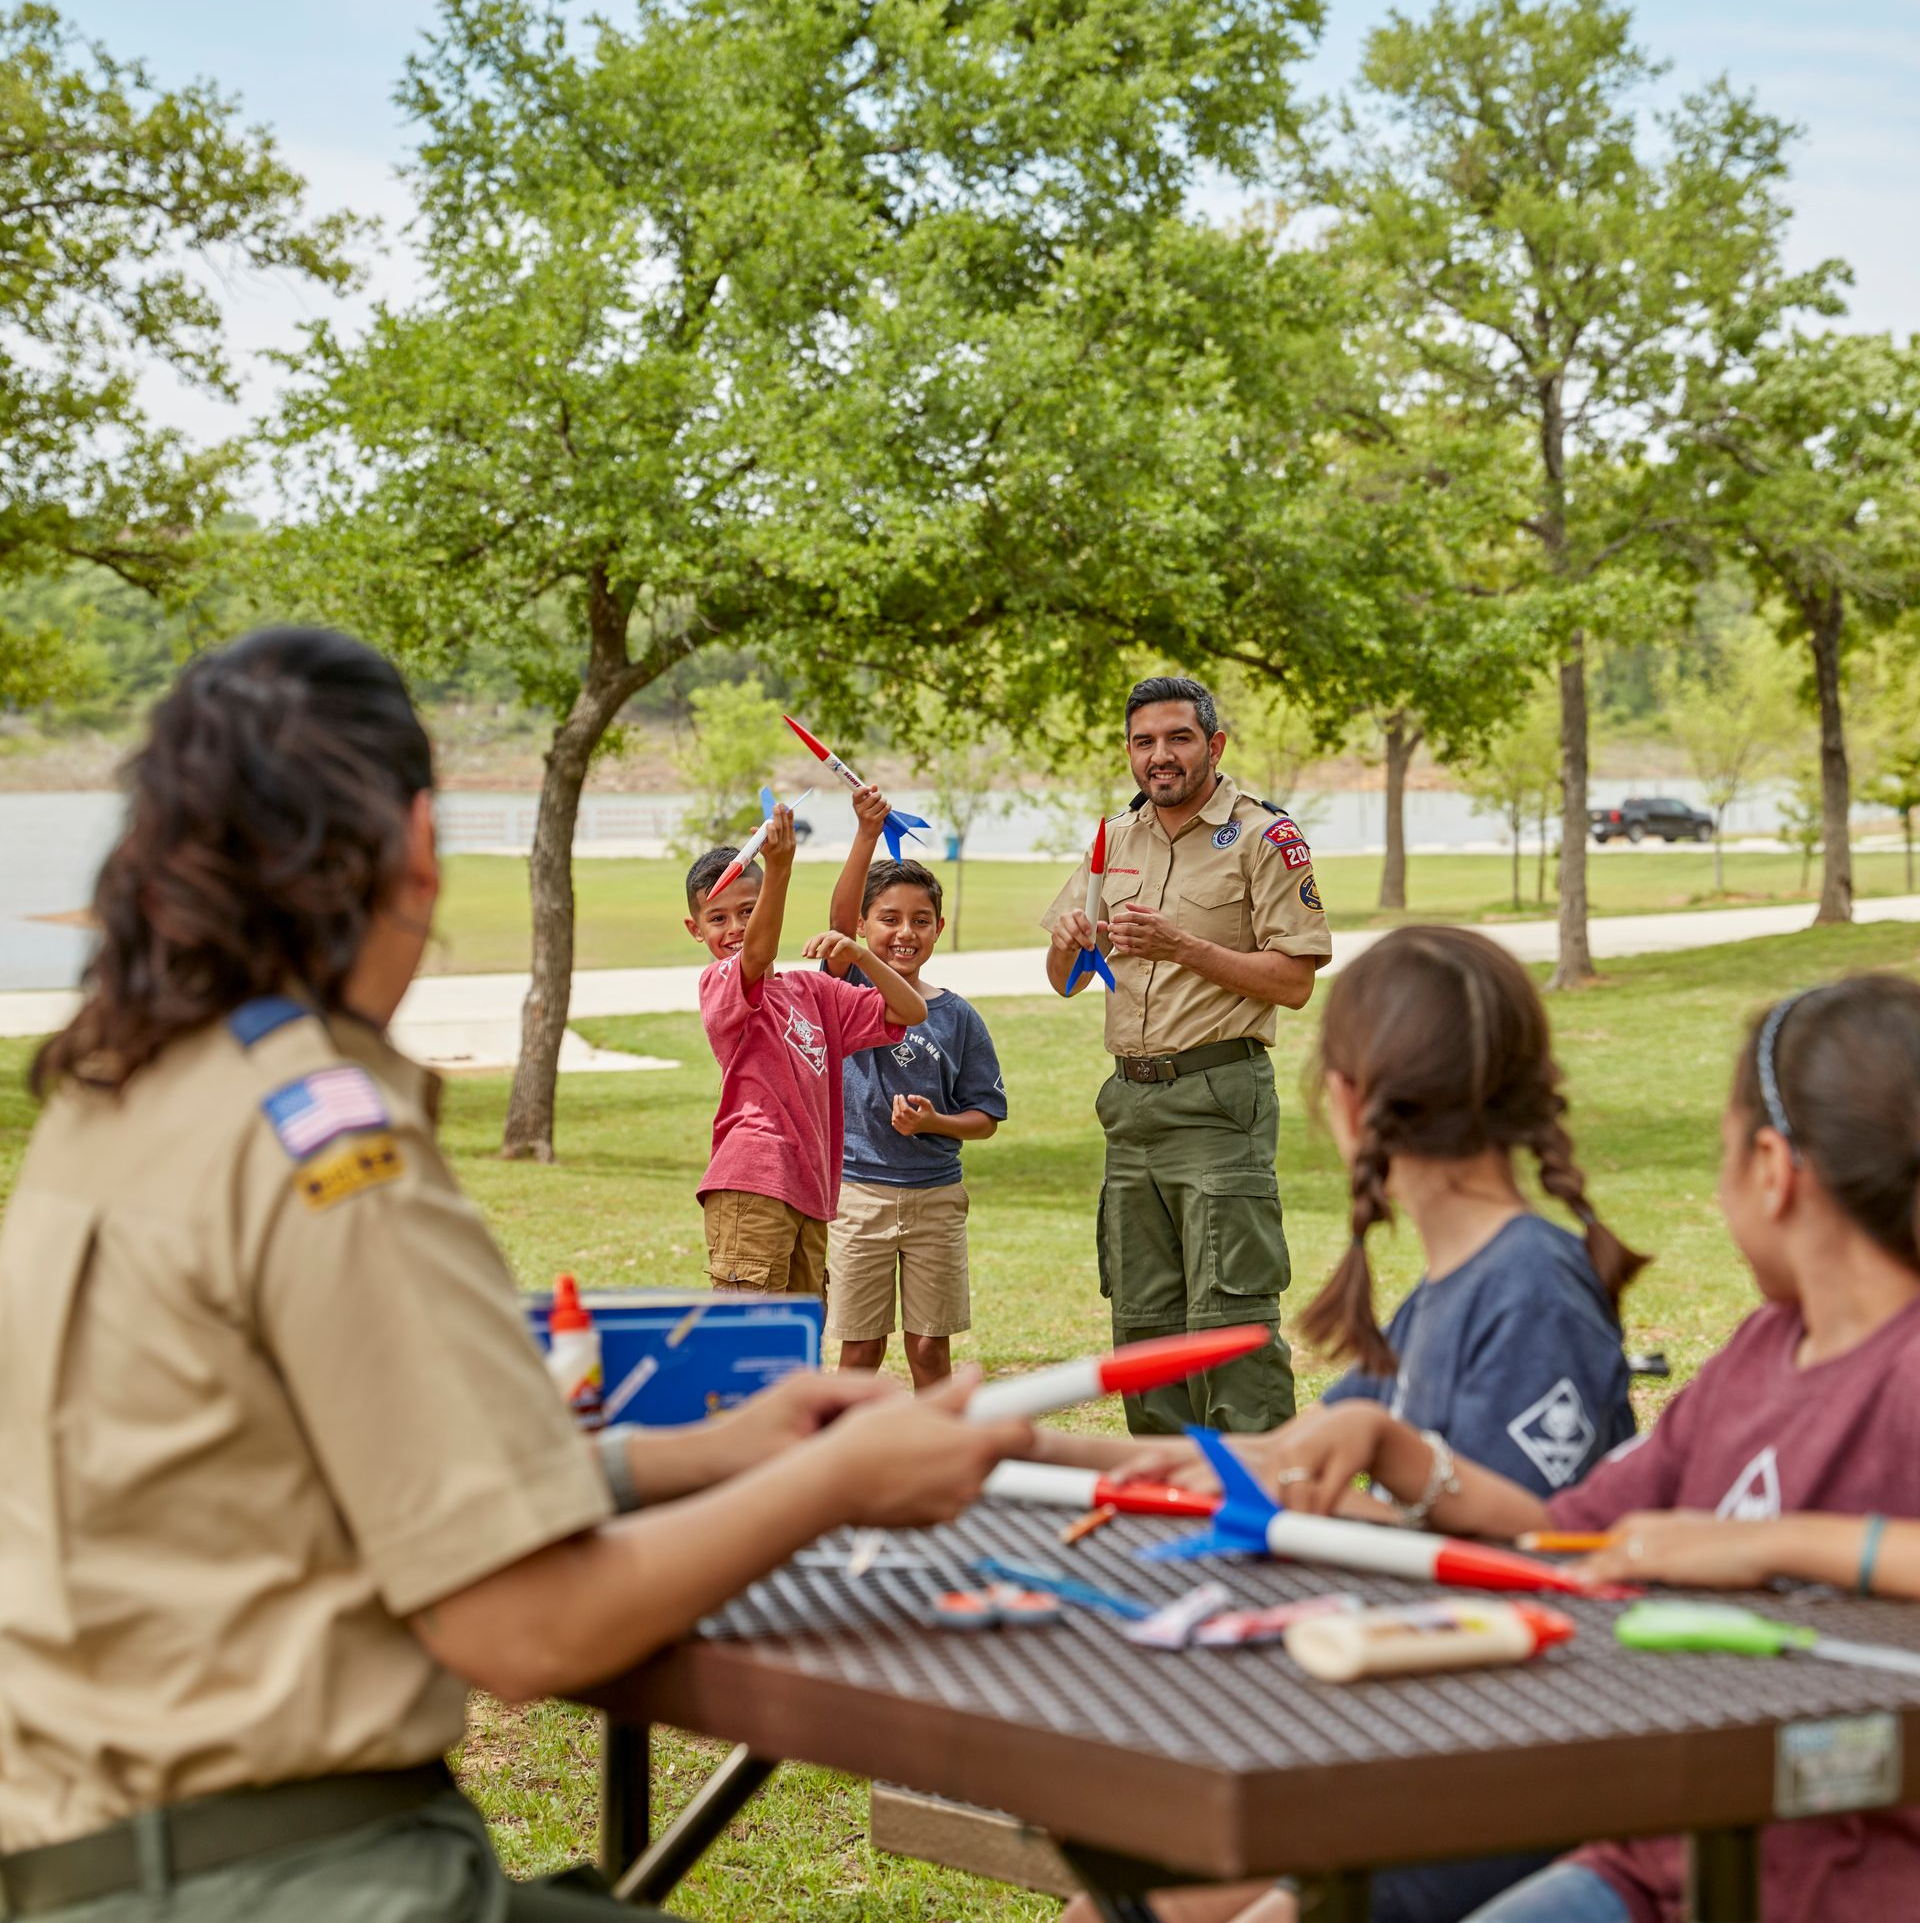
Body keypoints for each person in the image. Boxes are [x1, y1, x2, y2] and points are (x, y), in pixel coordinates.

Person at [0, 627, 1032, 1922]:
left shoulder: (114, 1103)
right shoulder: (324, 1145)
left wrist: (730, 1449)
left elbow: (366, 1485)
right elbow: (525, 1630)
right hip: (301, 1874)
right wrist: (832, 1481)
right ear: (418, 842)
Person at [1246, 972, 1920, 1923]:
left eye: (1719, 1154)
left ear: (1770, 1167)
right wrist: (1394, 1453)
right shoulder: (1757, 1356)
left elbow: (1730, 1543)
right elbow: (1558, 1535)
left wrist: (1769, 1545)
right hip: (1657, 1860)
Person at [1060, 925, 1652, 1923]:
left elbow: (1550, 1550)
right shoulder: (1444, 1295)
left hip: (1507, 1775)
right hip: (1424, 1740)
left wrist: (1392, 1469)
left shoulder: (1532, 1288)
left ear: (1344, 1100)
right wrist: (1027, 1448)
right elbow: (1280, 1457)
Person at [1040, 674, 1328, 1434]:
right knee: (1143, 1320)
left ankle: (1260, 1499)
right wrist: (1071, 945)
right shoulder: (1114, 837)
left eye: (1178, 738)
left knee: (1227, 1316)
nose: (1159, 756)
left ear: (1214, 744)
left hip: (1217, 1097)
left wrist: (1184, 946)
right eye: (1144, 742)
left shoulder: (1264, 837)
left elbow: (1295, 981)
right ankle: (1162, 1505)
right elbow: (1067, 980)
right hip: (1130, 1106)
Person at [684, 805, 926, 1296]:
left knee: (799, 1336)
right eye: (718, 918)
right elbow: (757, 952)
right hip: (752, 1182)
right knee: (749, 1341)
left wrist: (859, 954)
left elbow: (909, 1011)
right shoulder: (719, 985)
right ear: (696, 930)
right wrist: (779, 867)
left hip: (811, 1192)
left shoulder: (813, 994)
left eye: (748, 911)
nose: (734, 927)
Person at [818, 785, 1007, 1385]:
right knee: (860, 1354)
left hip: (935, 1200)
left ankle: (939, 1465)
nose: (905, 933)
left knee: (929, 1352)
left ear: (939, 928)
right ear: (864, 927)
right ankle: (853, 1464)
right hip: (857, 1197)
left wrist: (934, 1123)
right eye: (889, 919)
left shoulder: (959, 1017)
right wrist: (867, 833)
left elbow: (986, 1115)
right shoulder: (849, 995)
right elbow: (837, 927)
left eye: (920, 921)